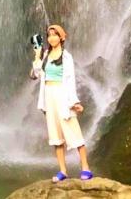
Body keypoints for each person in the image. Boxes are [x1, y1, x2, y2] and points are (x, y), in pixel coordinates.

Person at [30, 23, 93, 183]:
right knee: (56, 135)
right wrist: (37, 55)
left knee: (74, 131)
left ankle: (85, 168)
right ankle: (63, 171)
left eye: (55, 35)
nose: (51, 38)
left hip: (62, 95)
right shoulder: (45, 55)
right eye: (49, 35)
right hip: (49, 95)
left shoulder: (67, 57)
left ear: (61, 37)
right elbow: (35, 75)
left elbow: (70, 80)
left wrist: (74, 101)